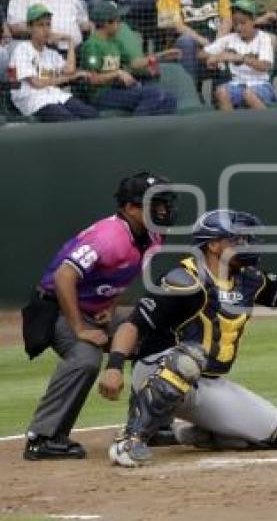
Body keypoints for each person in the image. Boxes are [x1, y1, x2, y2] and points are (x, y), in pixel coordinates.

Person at [97, 209, 277, 467]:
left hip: (207, 383)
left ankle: (201, 433)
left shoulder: (248, 279)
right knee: (189, 358)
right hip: (158, 370)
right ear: (213, 244)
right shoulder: (185, 280)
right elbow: (132, 325)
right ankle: (130, 440)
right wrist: (113, 367)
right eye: (237, 239)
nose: (247, 244)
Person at [22, 173, 177, 460]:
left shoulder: (154, 234)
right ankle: (43, 437)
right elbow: (64, 275)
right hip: (57, 308)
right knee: (86, 358)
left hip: (94, 308)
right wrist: (80, 328)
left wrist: (111, 303)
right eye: (155, 204)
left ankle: (150, 424)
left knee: (158, 335)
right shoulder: (108, 236)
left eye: (164, 204)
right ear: (131, 208)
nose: (163, 211)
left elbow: (122, 271)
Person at [81, 1, 179, 116]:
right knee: (153, 94)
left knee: (170, 98)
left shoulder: (114, 42)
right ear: (107, 23)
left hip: (119, 89)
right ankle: (136, 130)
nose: (120, 25)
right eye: (117, 21)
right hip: (102, 95)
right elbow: (93, 79)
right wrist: (117, 73)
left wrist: (161, 56)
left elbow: (134, 63)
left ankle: (156, 130)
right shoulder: (92, 45)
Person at [9, 4, 99, 122]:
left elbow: (69, 70)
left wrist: (70, 40)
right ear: (30, 28)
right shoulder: (22, 49)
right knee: (72, 123)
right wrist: (70, 77)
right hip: (33, 100)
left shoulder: (51, 53)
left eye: (48, 24)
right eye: (40, 25)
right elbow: (37, 83)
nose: (46, 29)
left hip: (55, 95)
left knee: (93, 116)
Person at [157, 0, 232, 81]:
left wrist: (218, 43)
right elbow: (172, 24)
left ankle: (222, 94)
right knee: (187, 41)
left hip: (217, 40)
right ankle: (190, 92)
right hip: (190, 45)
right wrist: (201, 40)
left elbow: (227, 18)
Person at [202, 0, 276, 111]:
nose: (239, 28)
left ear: (254, 21)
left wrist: (240, 58)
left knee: (248, 94)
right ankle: (231, 126)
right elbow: (202, 53)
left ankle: (267, 126)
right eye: (235, 24)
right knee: (221, 91)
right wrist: (214, 57)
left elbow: (265, 66)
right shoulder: (229, 39)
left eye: (243, 23)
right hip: (237, 84)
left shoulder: (264, 38)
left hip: (261, 85)